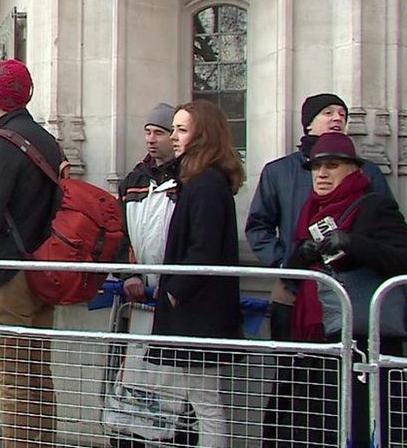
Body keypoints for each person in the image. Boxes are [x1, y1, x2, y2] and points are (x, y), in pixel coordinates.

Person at [282, 132, 407, 447]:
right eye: (315, 168)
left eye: (332, 166)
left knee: (366, 419)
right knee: (322, 420)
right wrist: (304, 252)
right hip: (320, 334)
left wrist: (353, 243)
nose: (321, 174)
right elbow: (292, 271)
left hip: (367, 336)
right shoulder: (311, 209)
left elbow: (401, 258)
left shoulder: (375, 206)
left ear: (353, 170)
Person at [246, 93, 392, 339]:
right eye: (328, 113)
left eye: (342, 114)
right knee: (292, 366)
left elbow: (386, 228)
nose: (337, 118)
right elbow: (258, 226)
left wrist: (354, 247)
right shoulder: (278, 171)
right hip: (293, 286)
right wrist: (284, 263)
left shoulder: (368, 172)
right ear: (308, 123)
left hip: (349, 289)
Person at [0, 59, 62, 445]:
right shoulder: (45, 138)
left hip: (9, 277)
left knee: (12, 383)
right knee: (38, 378)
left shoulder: (0, 142)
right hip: (43, 269)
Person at [149, 100, 244, 447]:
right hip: (197, 307)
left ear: (203, 135)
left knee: (204, 402)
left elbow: (203, 248)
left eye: (181, 129)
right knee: (198, 399)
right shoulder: (202, 182)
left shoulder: (206, 184)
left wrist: (175, 291)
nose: (173, 137)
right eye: (173, 128)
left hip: (197, 310)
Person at [115, 102, 178, 301]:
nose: (151, 139)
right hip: (141, 291)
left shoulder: (188, 180)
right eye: (147, 132)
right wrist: (129, 274)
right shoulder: (133, 181)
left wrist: (175, 284)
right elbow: (119, 232)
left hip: (177, 292)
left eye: (159, 133)